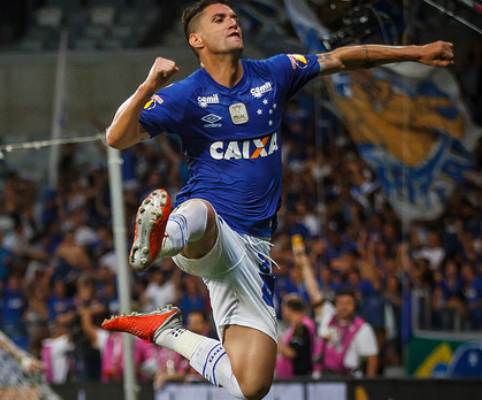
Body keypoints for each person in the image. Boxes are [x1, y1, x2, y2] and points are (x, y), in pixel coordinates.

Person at [100, 0, 453, 398]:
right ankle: (160, 242)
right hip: (208, 230)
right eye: (220, 19)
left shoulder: (273, 73)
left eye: (234, 16)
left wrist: (417, 52)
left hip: (255, 250)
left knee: (251, 386)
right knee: (202, 212)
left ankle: (165, 330)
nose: (233, 22)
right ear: (196, 39)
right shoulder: (186, 95)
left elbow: (340, 58)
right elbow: (117, 137)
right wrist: (148, 86)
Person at [294, 237, 379, 377]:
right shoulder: (328, 315)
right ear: (336, 304)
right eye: (341, 303)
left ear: (354, 305)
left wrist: (368, 390)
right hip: (322, 377)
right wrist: (304, 265)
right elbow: (314, 292)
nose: (344, 307)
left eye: (348, 303)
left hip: (348, 380)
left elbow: (372, 360)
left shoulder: (363, 328)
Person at [275, 294, 315, 378]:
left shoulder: (301, 326)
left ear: (289, 309)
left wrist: (274, 336)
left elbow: (291, 352)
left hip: (298, 379)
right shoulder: (297, 325)